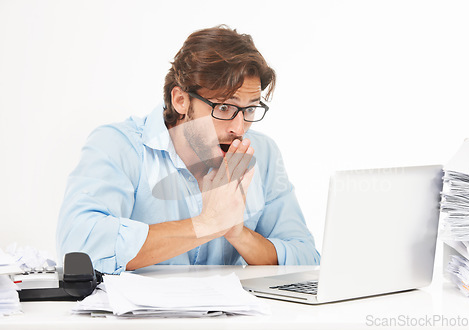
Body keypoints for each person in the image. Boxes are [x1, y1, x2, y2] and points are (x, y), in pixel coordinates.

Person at [56, 26, 320, 274]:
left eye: (250, 109)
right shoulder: (118, 145)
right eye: (224, 108)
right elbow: (77, 248)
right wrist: (207, 224)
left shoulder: (263, 153)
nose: (239, 128)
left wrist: (238, 234)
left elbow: (306, 258)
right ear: (181, 100)